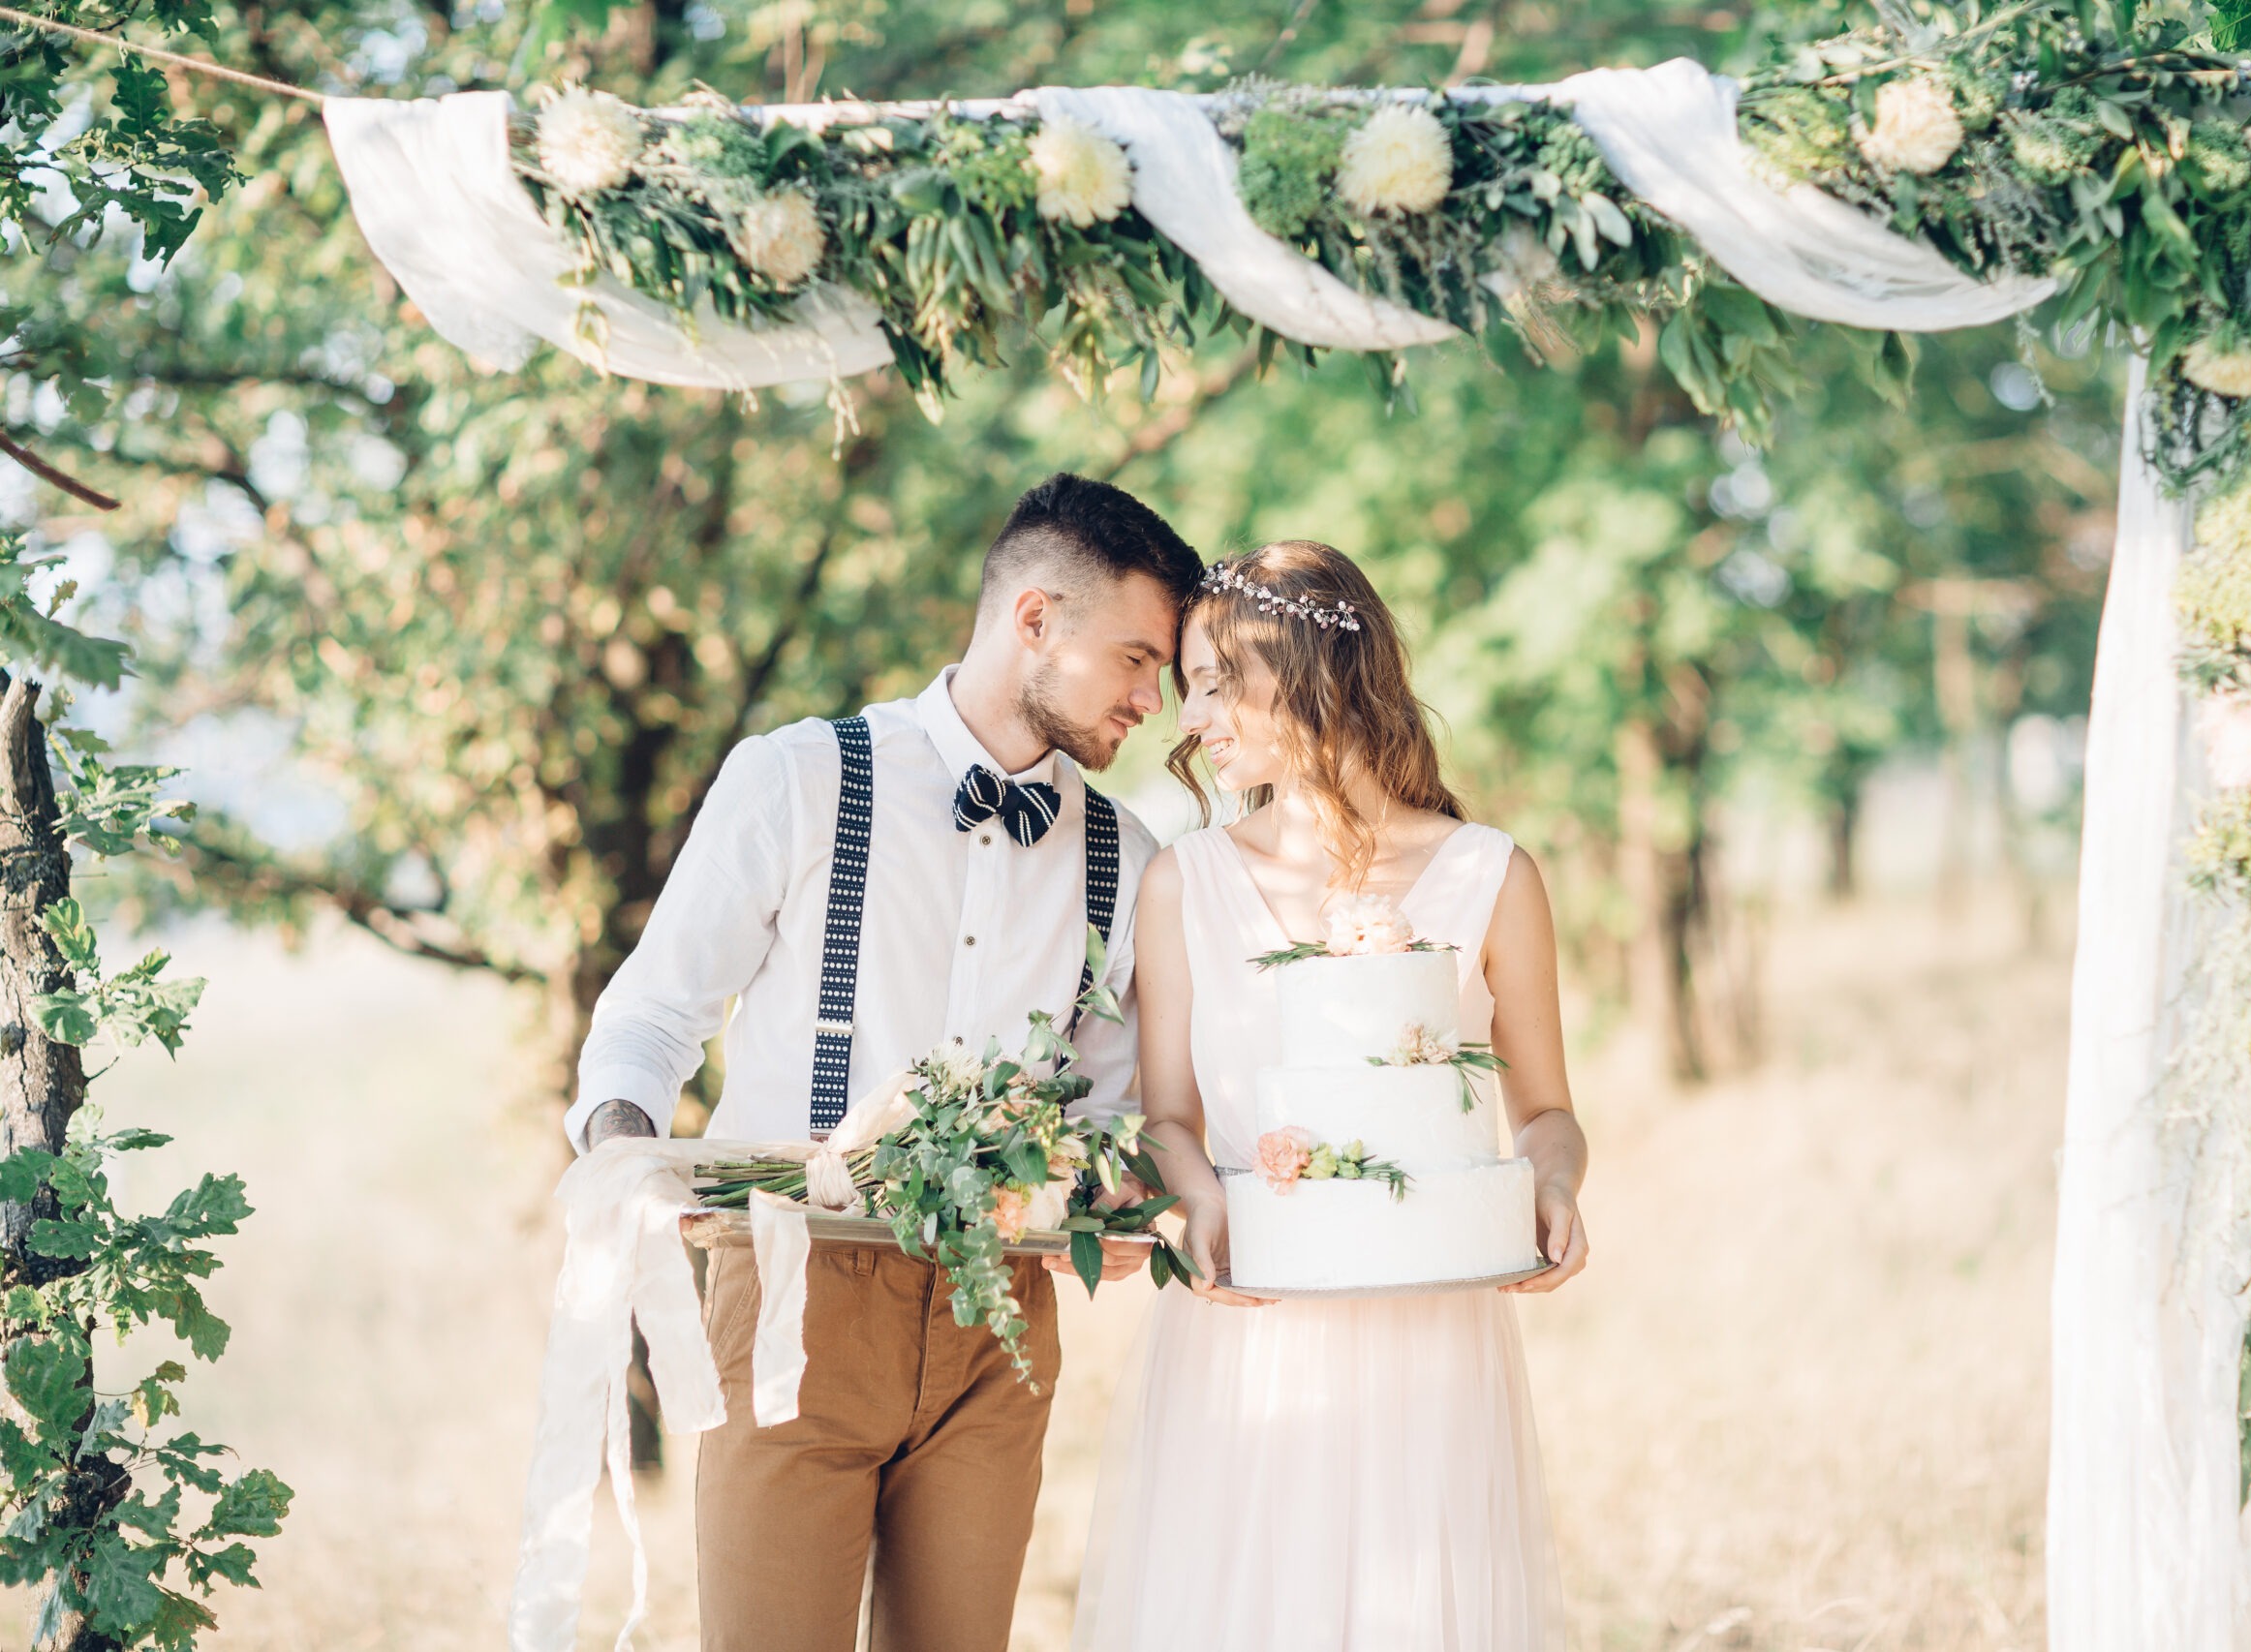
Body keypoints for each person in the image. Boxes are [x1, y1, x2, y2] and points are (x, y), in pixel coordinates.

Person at [569, 473, 1201, 1652]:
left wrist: (1119, 1197)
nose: (1149, 701)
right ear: (1033, 621)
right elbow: (650, 1018)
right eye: (1133, 659)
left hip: (996, 1321)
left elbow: (1116, 1108)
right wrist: (628, 1164)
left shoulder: (1128, 850)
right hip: (793, 1297)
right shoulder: (801, 777)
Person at [1072, 539, 1589, 1652]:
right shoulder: (1184, 881)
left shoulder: (1493, 873)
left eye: (1215, 680)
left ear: (1306, 666)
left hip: (1434, 1324)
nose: (1191, 716)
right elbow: (1168, 1113)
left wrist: (1552, 1182)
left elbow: (1545, 1107)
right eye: (1184, 687)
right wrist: (1188, 1194)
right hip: (1250, 1320)